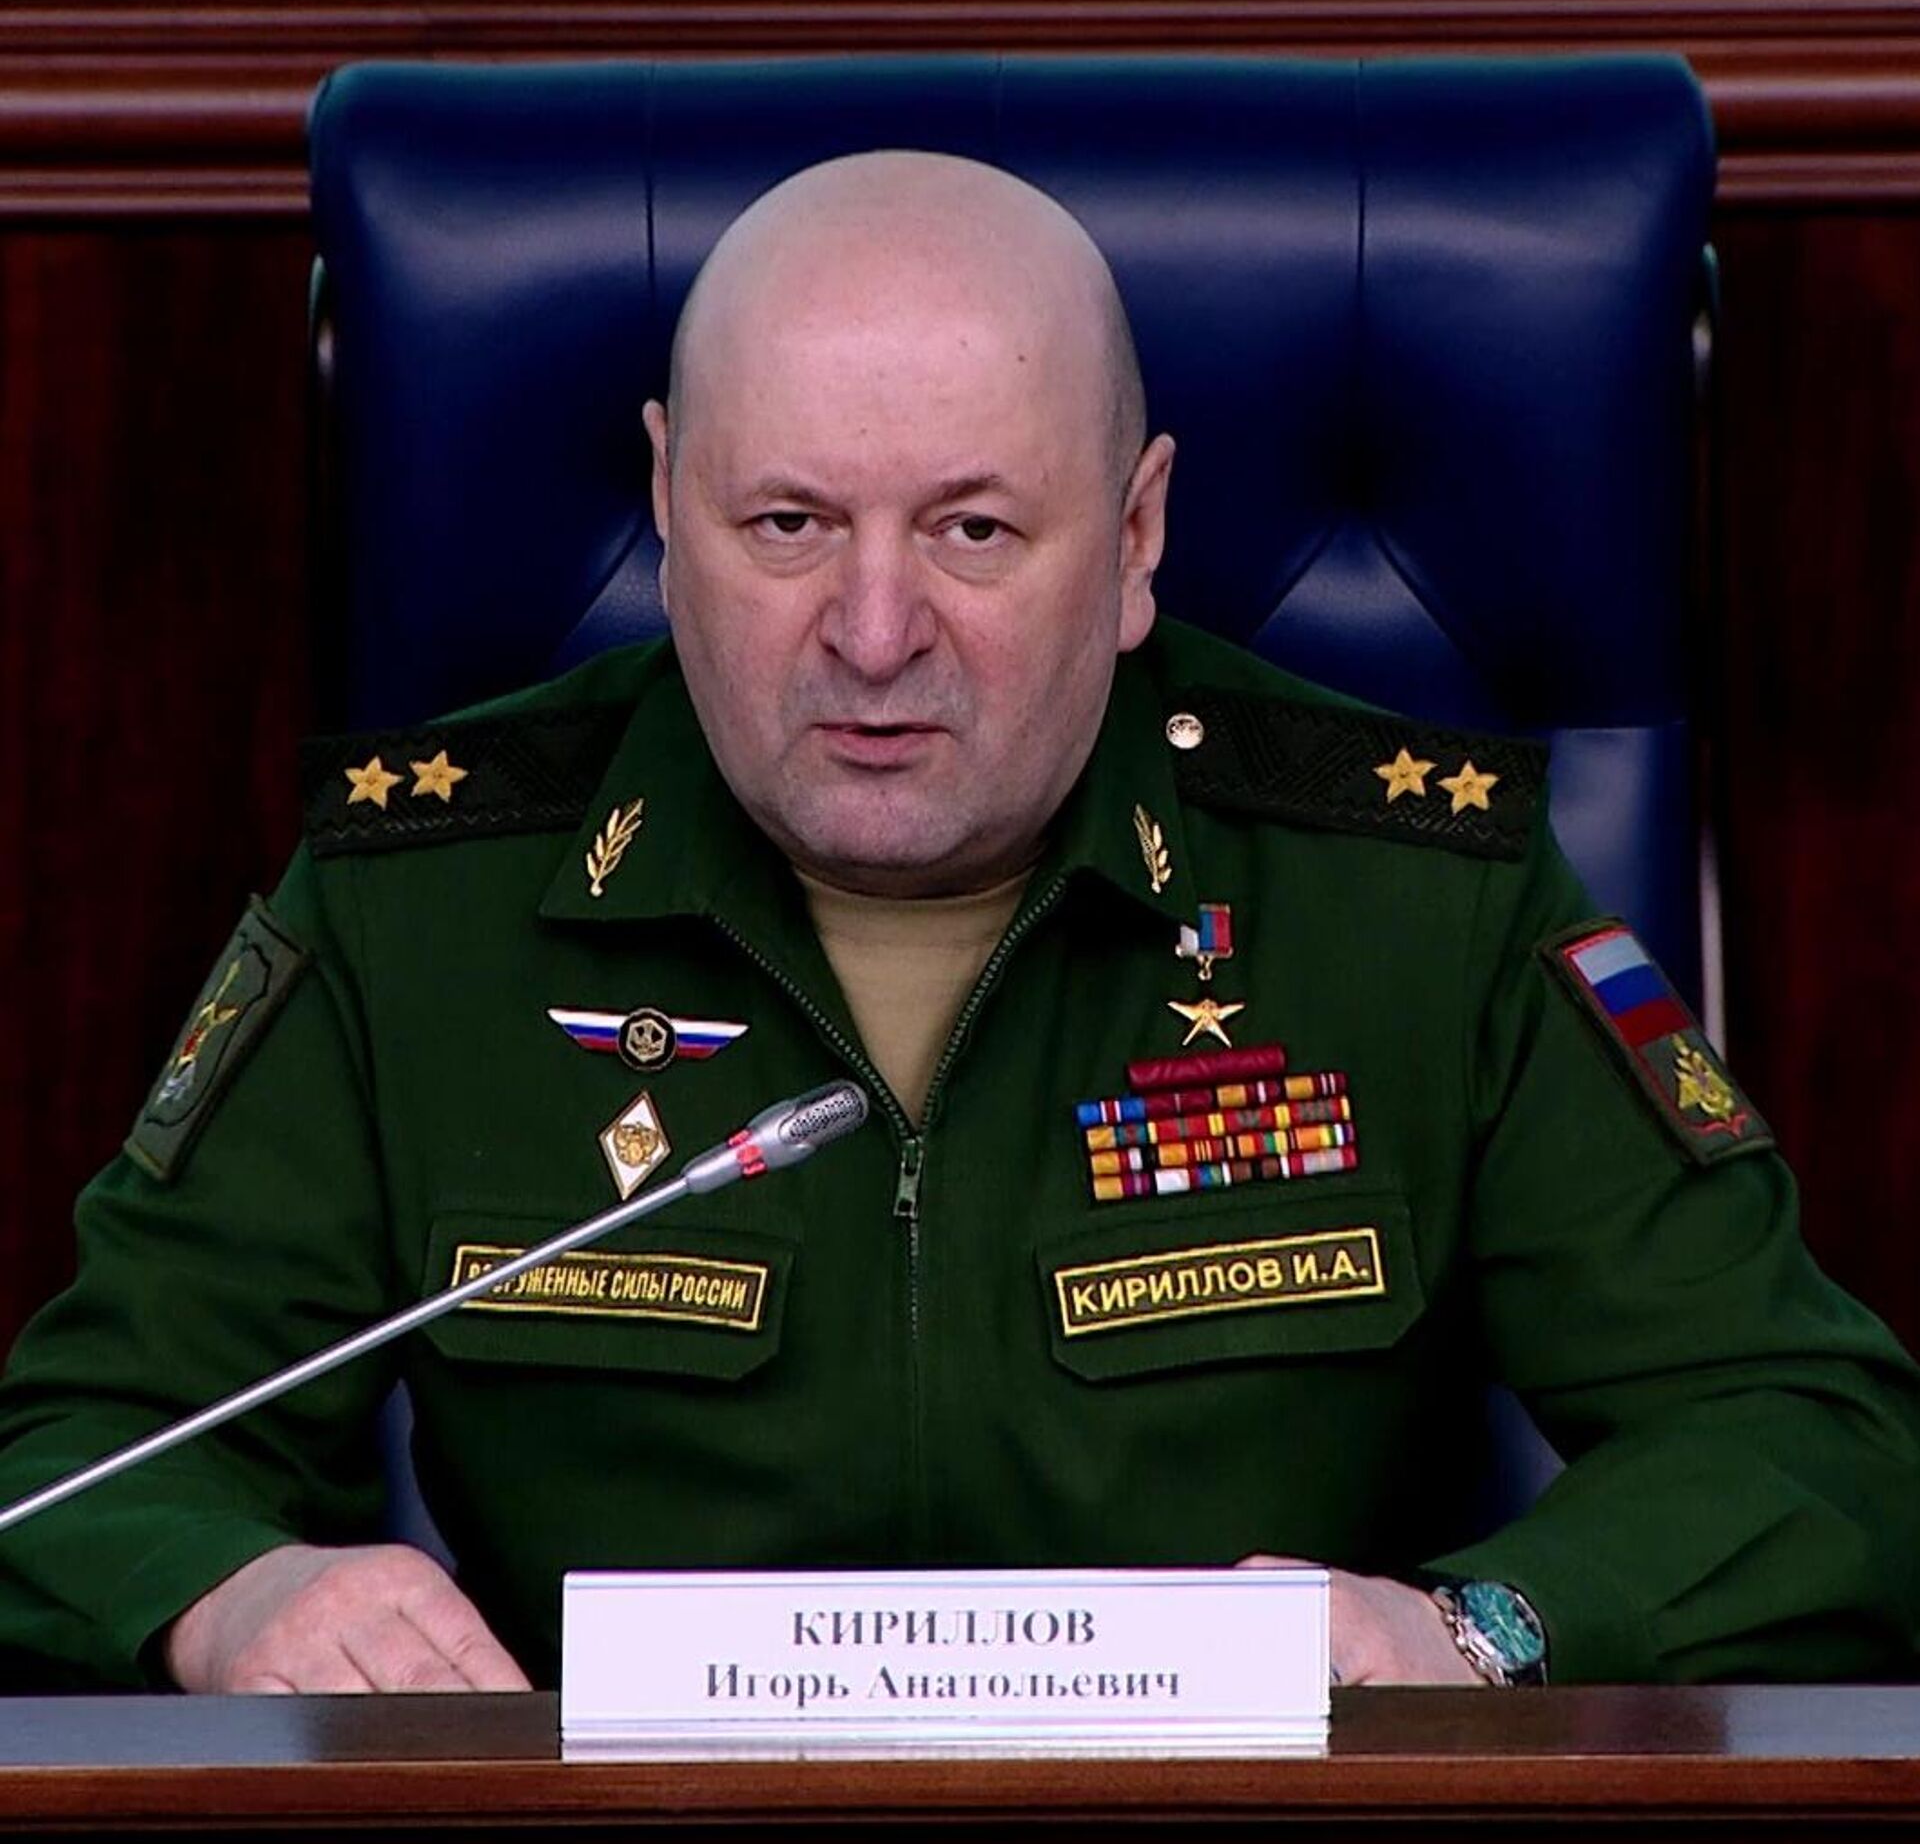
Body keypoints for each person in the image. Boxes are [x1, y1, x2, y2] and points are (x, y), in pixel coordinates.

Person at [1, 151, 1917, 1696]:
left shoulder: (1417, 892)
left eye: (974, 530)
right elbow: (81, 1453)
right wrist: (230, 1596)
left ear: (1139, 535)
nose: (872, 632)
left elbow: (1819, 1443)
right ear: (665, 501)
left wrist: (1479, 1632)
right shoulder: (416, 898)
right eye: (786, 524)